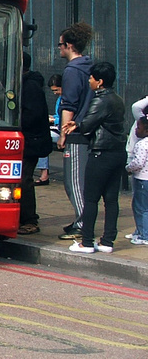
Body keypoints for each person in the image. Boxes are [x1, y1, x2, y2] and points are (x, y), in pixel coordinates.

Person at [63, 61, 126, 254]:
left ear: (99, 82)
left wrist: (75, 126)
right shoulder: (117, 99)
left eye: (91, 78)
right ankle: (107, 241)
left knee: (90, 198)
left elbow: (89, 124)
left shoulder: (100, 100)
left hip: (101, 153)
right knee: (111, 199)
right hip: (117, 153)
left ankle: (87, 242)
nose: (89, 80)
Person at [56, 21, 94, 240]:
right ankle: (82, 219)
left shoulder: (72, 70)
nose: (59, 48)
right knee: (83, 181)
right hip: (89, 129)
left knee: (74, 182)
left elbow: (68, 104)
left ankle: (82, 222)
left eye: (60, 45)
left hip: (76, 134)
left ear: (69, 45)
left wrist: (63, 134)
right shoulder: (89, 66)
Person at [18, 52, 53, 235]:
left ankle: (30, 219)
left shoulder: (30, 86)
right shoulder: (24, 84)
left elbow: (32, 115)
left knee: (24, 179)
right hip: (27, 140)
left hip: (31, 141)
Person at [125, 95, 148, 240]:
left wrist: (128, 168)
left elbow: (138, 162)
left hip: (142, 179)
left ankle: (144, 235)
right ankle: (140, 231)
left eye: (137, 127)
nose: (135, 129)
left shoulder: (141, 144)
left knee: (141, 208)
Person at [35, 73, 63, 186]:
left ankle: (44, 175)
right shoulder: (60, 99)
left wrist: (53, 120)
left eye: (56, 90)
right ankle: (44, 173)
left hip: (62, 129)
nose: (55, 93)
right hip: (58, 127)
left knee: (42, 138)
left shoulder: (67, 98)